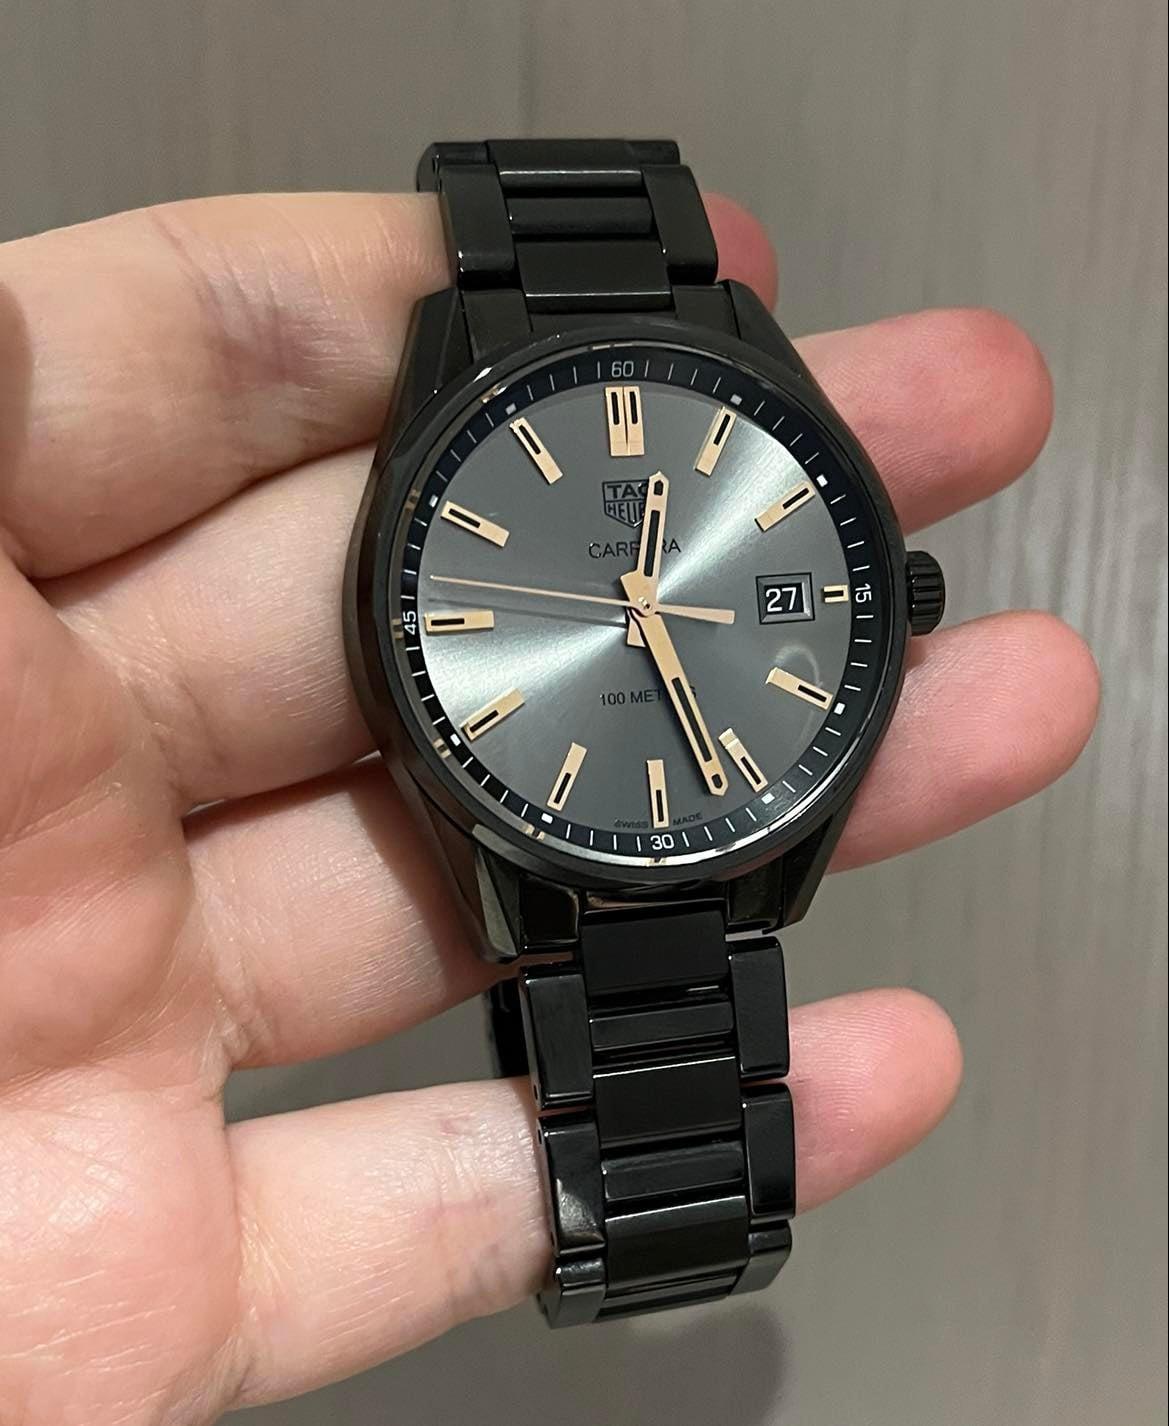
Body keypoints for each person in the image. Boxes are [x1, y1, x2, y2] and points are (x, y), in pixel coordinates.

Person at [0, 191, 1099, 1424]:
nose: (643, 607)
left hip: (726, 821)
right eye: (634, 605)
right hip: (544, 811)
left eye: (652, 600)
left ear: (896, 594)